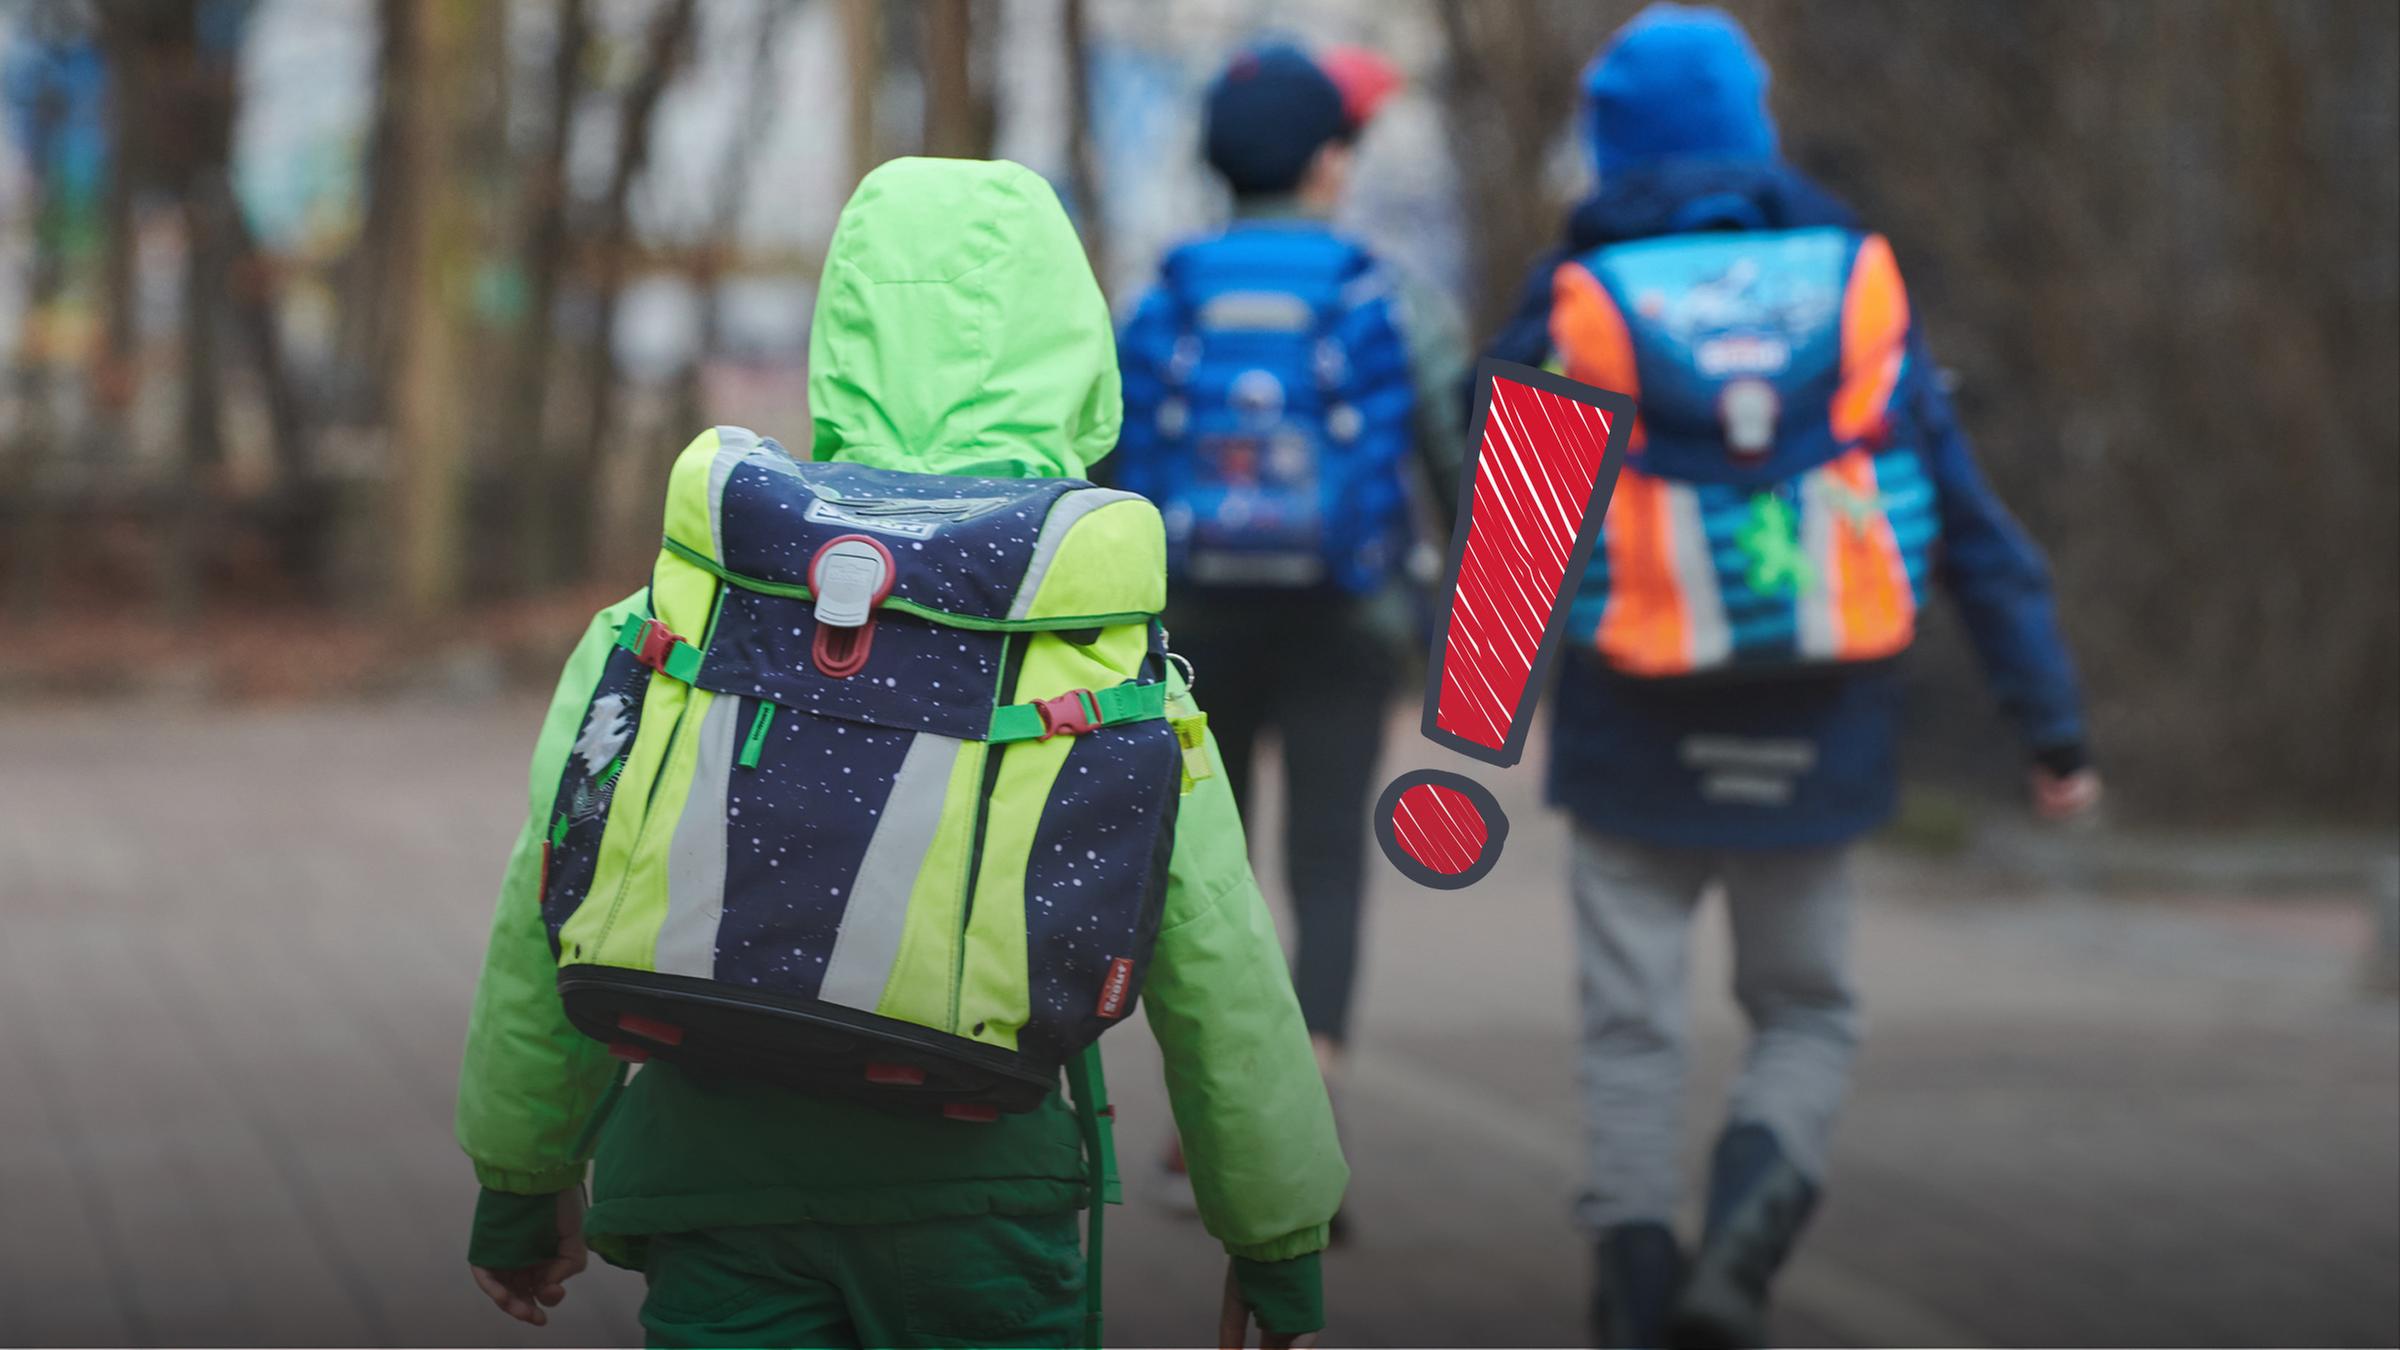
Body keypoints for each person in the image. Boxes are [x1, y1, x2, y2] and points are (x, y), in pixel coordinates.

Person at [456, 158, 1344, 1350]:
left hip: (717, 1183)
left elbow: (553, 888)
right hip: (991, 1189)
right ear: (1077, 352)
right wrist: (1276, 1235)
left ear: (844, 335)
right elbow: (1216, 960)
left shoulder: (691, 606)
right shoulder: (1088, 641)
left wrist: (522, 1178)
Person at [1482, 7, 2102, 1346]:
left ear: (1610, 150)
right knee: (1807, 1005)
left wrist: (1465, 752)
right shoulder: (1853, 286)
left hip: (1630, 724)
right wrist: (2051, 732)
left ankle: (1636, 1291)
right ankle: (1750, 1229)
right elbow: (1974, 529)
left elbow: (1511, 547)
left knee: (1631, 1031)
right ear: (1754, 133)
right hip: (1821, 720)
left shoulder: (1577, 301)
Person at [1110, 43, 1470, 1209]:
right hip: (1345, 617)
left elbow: (1107, 471)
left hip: (1194, 620)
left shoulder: (1163, 297)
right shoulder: (1387, 293)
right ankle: (1308, 1122)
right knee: (1326, 866)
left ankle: (1199, 1130)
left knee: (1206, 872)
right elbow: (1465, 470)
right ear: (1331, 158)